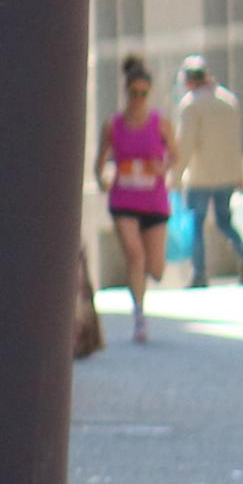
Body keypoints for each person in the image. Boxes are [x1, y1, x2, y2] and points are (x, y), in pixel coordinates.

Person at [96, 56, 171, 342]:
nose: (138, 99)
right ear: (126, 92)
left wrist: (163, 167)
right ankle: (139, 316)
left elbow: (174, 155)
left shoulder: (160, 123)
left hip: (153, 199)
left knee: (156, 267)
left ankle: (144, 295)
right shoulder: (113, 125)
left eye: (143, 93)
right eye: (134, 93)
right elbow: (99, 161)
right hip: (124, 199)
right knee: (134, 255)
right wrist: (103, 179)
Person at [171, 54, 243, 287]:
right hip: (226, 173)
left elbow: (185, 143)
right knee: (225, 221)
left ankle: (199, 273)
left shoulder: (191, 104)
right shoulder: (228, 100)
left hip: (200, 176)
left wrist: (175, 176)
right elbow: (237, 142)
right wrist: (239, 175)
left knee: (196, 224)